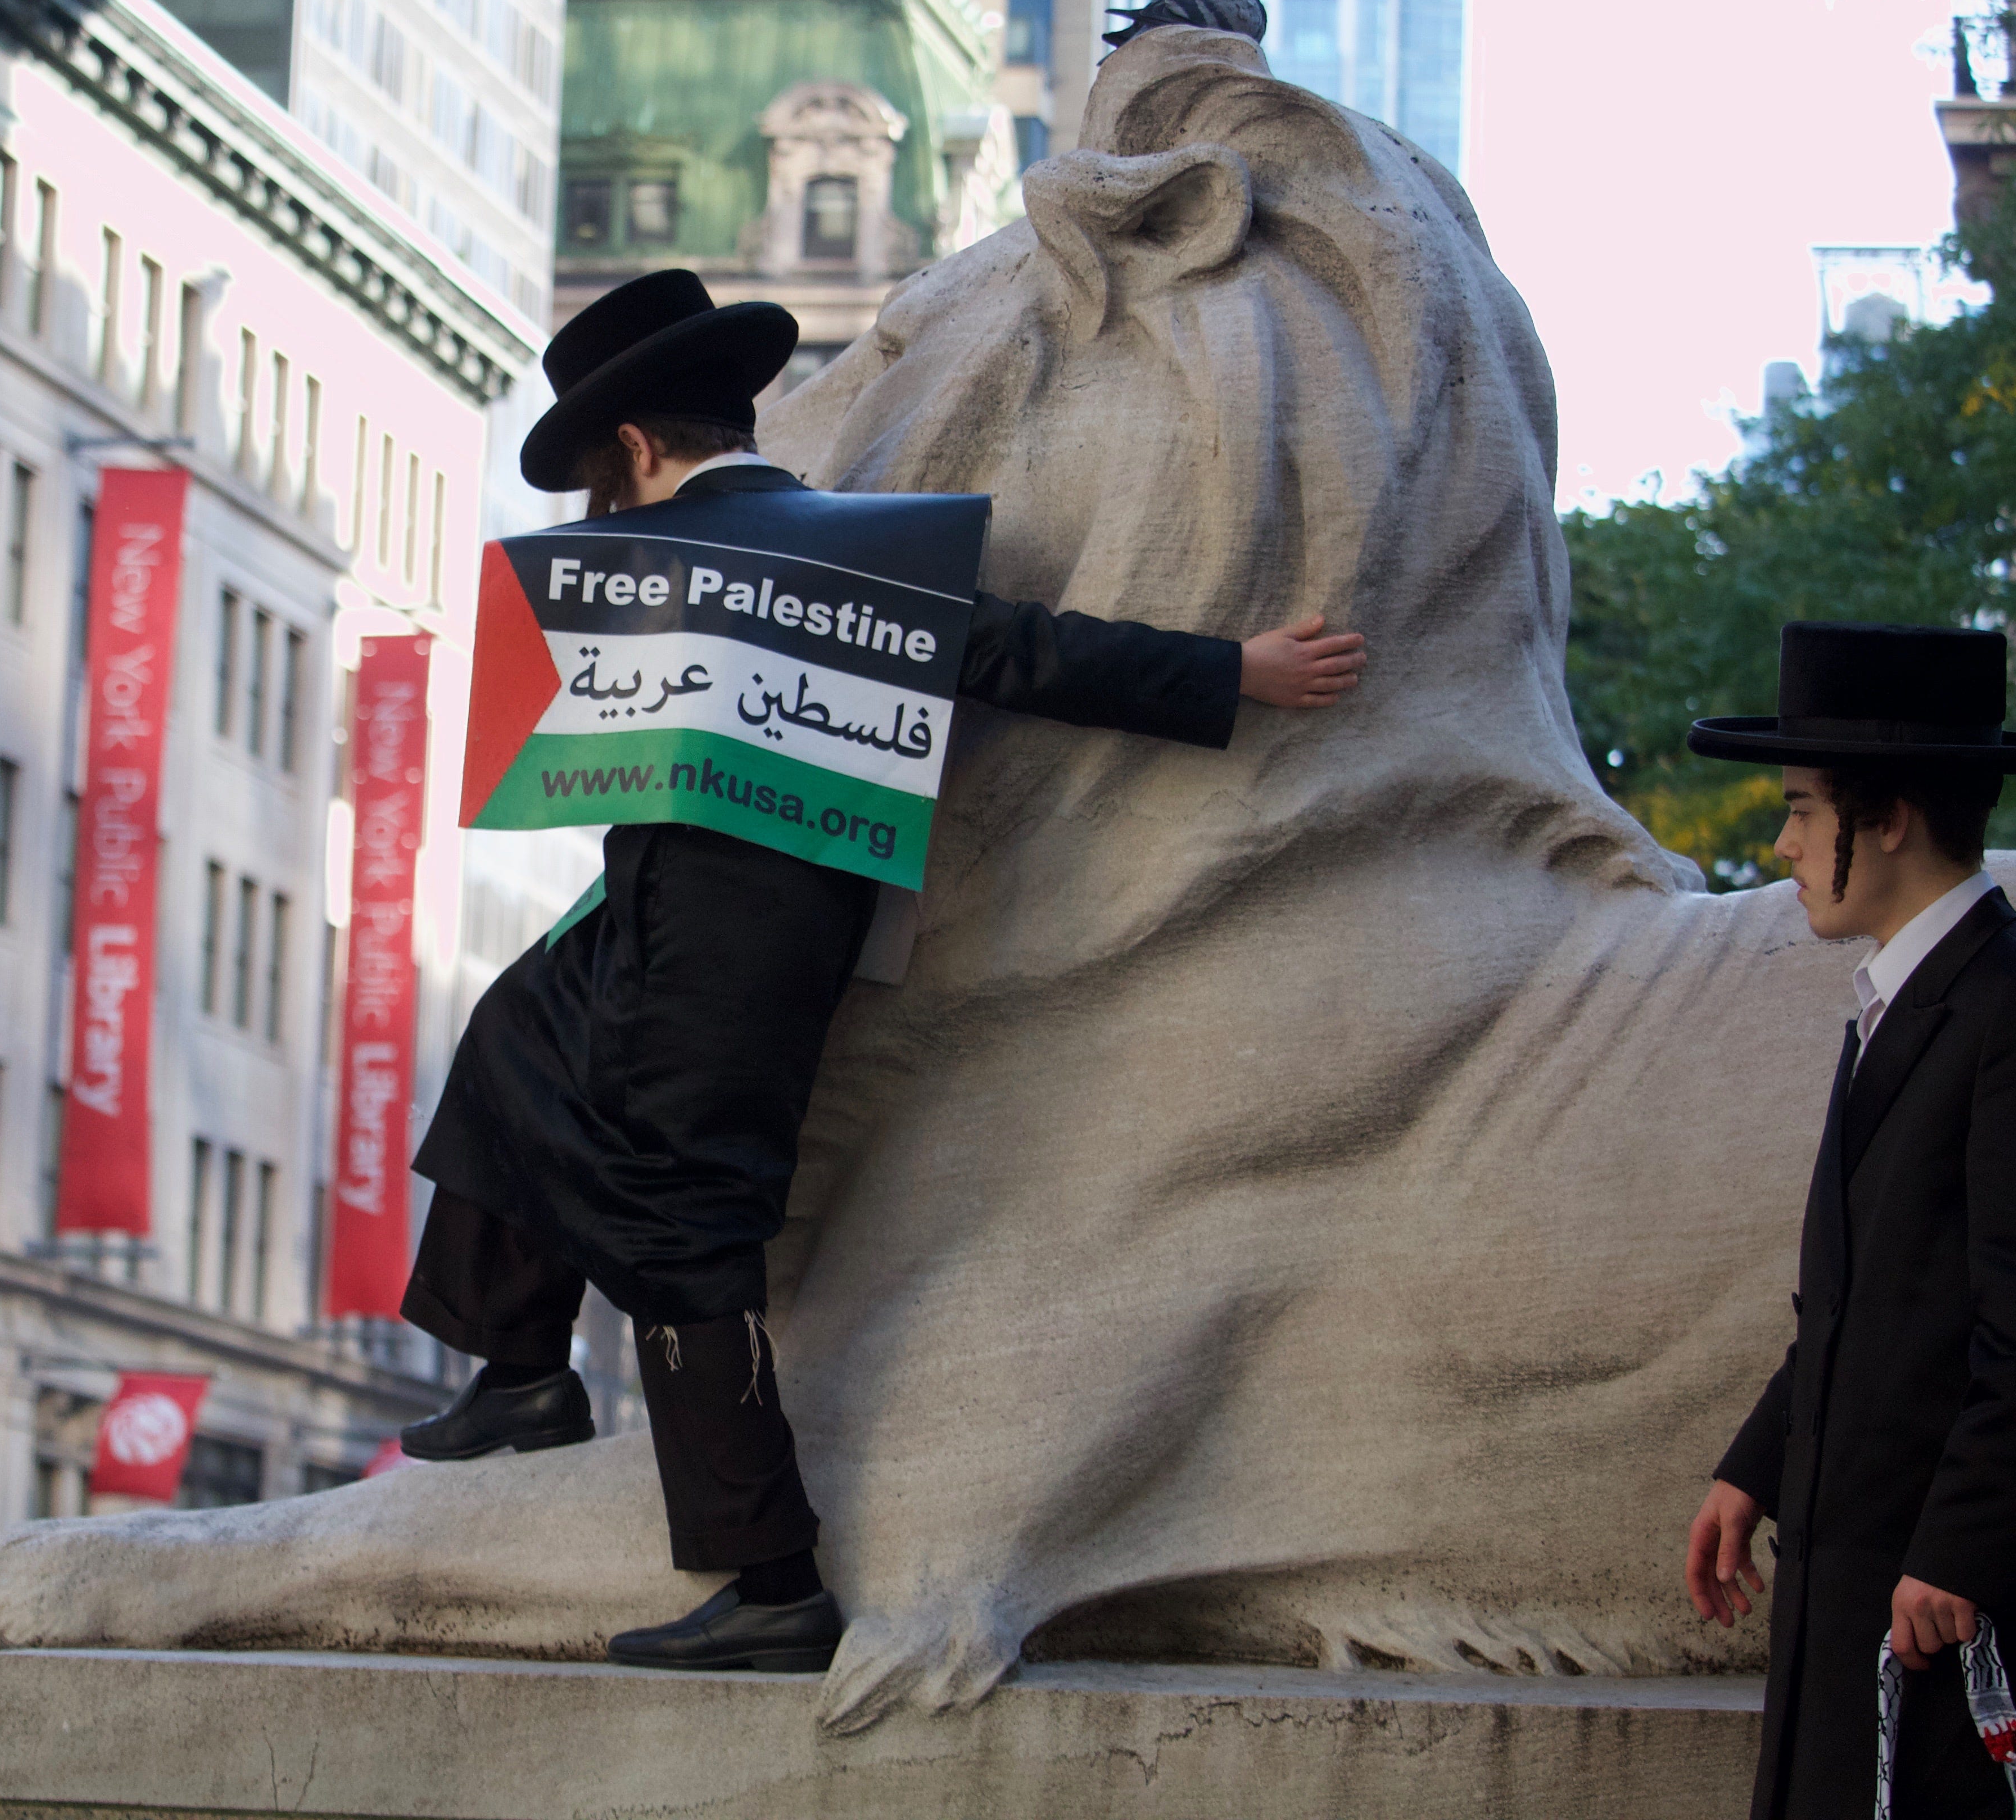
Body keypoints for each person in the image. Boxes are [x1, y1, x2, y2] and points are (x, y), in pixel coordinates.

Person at [392, 266, 1369, 1674]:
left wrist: (1231, 675)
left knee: (685, 1230)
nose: (592, 504)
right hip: (653, 923)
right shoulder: (824, 553)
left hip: (726, 951)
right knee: (512, 1027)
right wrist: (1229, 670)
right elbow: (1017, 648)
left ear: (635, 447)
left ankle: (770, 1581)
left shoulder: (728, 553)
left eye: (597, 474)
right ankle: (523, 1369)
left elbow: (1006, 654)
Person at [1681, 621, 2016, 1818]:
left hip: (1934, 1615)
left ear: (1888, 819)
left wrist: (1960, 1549)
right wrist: (1755, 1468)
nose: (1784, 844)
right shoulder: (1900, 1000)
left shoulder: (2006, 1010)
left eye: (1803, 809)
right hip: (1849, 1593)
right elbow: (1861, 1302)